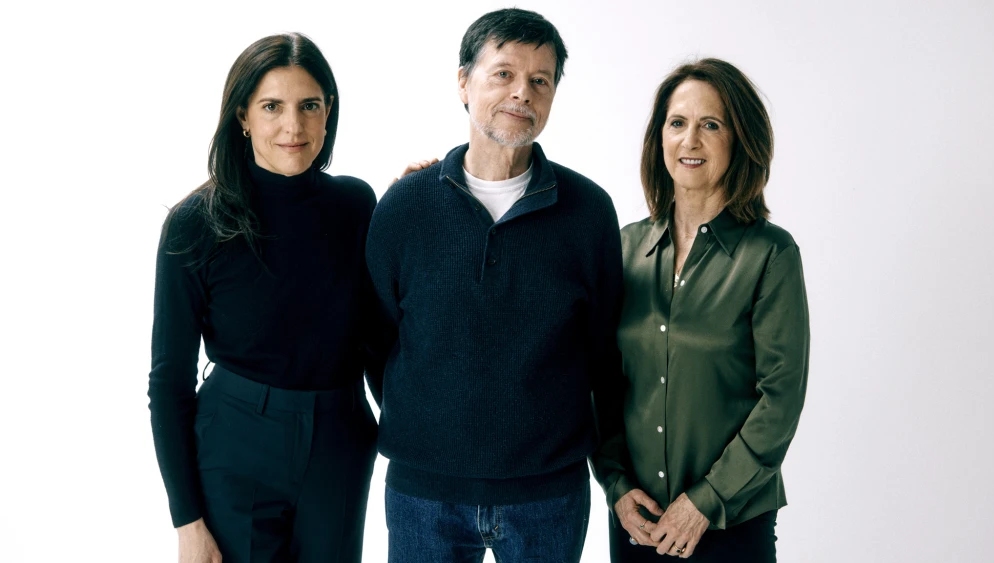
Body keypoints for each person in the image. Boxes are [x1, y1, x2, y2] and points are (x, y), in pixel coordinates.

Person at [365, 8, 624, 563]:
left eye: (540, 80)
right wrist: (433, 420)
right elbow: (377, 338)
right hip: (423, 494)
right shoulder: (405, 207)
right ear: (463, 82)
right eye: (503, 73)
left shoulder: (588, 212)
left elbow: (602, 352)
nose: (521, 93)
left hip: (548, 494)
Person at [148, 33, 379, 563]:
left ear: (329, 113)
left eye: (309, 106)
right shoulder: (195, 225)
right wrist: (187, 521)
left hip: (339, 441)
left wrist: (419, 199)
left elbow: (381, 329)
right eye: (272, 106)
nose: (293, 126)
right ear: (243, 116)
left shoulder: (358, 205)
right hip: (236, 442)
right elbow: (168, 383)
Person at [591, 58, 810, 562]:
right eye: (677, 123)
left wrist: (705, 501)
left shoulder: (771, 255)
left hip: (731, 525)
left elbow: (779, 399)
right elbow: (599, 382)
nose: (690, 140)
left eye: (710, 124)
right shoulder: (623, 250)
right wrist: (616, 487)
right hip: (636, 522)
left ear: (739, 140)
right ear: (659, 139)